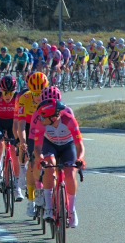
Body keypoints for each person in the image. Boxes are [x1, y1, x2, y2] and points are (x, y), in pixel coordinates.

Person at [30, 86, 86, 228]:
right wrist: (40, 159)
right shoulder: (41, 122)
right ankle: (49, 207)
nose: (41, 119)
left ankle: (72, 210)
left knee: (70, 173)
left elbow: (79, 144)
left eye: (44, 117)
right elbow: (37, 146)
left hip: (68, 146)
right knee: (49, 167)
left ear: (53, 117)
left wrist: (79, 159)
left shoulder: (68, 119)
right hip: (50, 145)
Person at [16, 71, 48, 216]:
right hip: (29, 128)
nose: (38, 97)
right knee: (32, 163)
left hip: (47, 126)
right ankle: (31, 201)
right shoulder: (25, 97)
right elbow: (21, 125)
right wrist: (23, 142)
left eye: (40, 93)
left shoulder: (50, 96)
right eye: (35, 93)